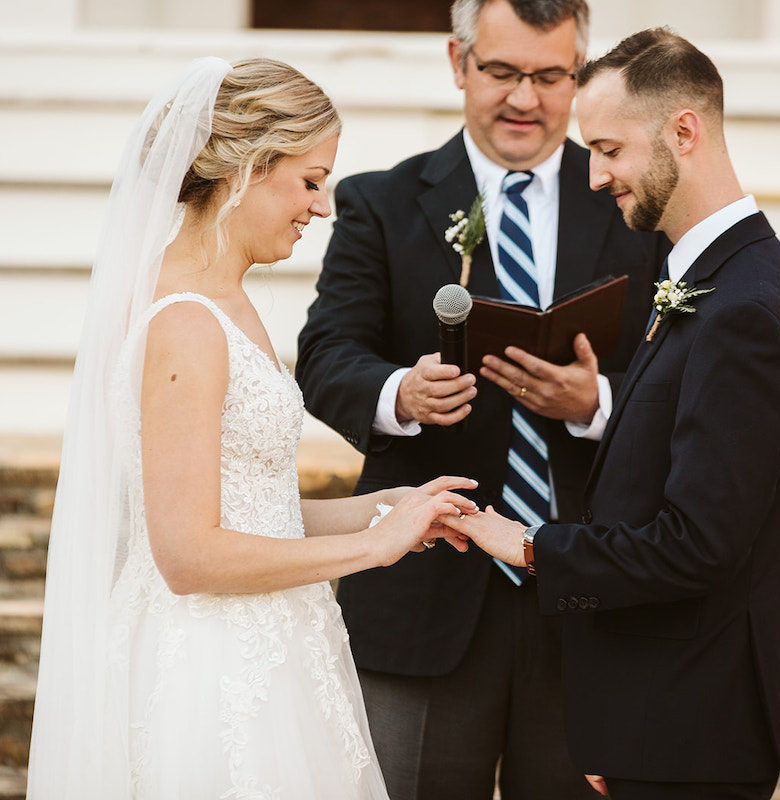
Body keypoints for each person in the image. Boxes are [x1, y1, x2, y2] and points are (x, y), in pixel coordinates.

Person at [25, 57, 477, 800]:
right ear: (245, 169)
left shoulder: (227, 303)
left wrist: (394, 507)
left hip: (275, 648)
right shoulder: (185, 323)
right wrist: (370, 548)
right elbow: (188, 554)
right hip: (208, 673)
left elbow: (252, 512)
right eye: (309, 181)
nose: (322, 207)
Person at [295, 0, 667, 797]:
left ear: (579, 76)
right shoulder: (381, 203)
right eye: (502, 72)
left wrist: (596, 402)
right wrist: (402, 391)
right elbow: (326, 355)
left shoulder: (636, 205)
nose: (525, 99)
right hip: (426, 591)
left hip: (588, 593)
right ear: (459, 64)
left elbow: (682, 381)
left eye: (548, 76)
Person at [445, 27, 780, 800]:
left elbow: (696, 545)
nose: (593, 175)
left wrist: (529, 547)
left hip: (692, 734)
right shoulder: (712, 282)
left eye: (610, 149)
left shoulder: (745, 307)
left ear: (683, 132)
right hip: (657, 720)